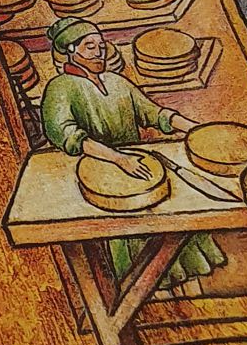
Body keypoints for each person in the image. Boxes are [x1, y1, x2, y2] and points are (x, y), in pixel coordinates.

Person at [40, 16, 225, 295]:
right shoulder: (60, 88)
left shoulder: (117, 82)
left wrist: (197, 130)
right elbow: (67, 135)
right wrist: (118, 159)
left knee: (174, 215)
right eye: (89, 46)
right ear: (71, 50)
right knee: (134, 242)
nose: (99, 51)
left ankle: (183, 290)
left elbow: (154, 113)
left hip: (137, 166)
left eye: (100, 45)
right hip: (101, 173)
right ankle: (147, 295)